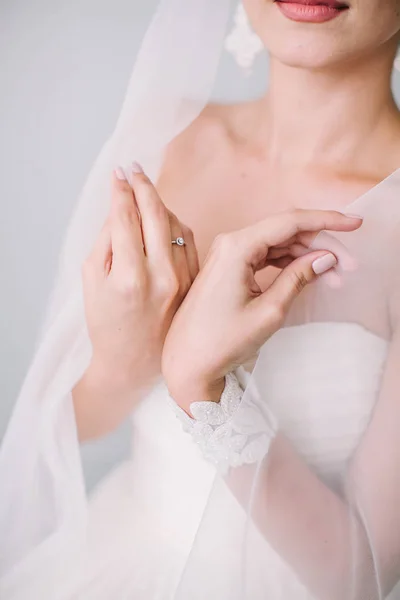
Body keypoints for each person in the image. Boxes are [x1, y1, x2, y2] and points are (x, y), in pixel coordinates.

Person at [1, 0, 400, 598]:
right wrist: (125, 352)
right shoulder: (166, 142)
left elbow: (358, 577)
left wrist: (204, 389)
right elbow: (74, 422)